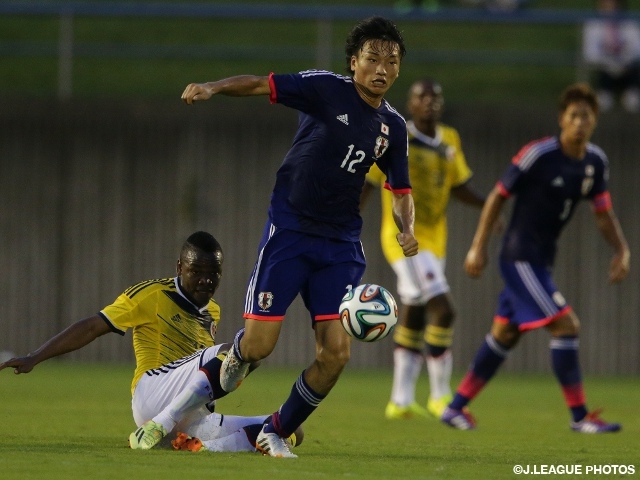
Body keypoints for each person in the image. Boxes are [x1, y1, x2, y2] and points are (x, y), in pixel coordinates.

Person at [180, 16, 418, 458]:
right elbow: (260, 84)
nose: (382, 67)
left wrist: (407, 228)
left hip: (340, 246)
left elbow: (401, 191)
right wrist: (213, 87)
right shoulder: (326, 88)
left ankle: (274, 430)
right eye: (372, 58)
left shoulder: (394, 128)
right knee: (257, 347)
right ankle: (204, 381)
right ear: (354, 62)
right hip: (290, 230)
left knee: (336, 354)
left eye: (391, 60)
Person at [0, 231, 302, 452]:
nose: (206, 281)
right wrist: (34, 356)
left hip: (190, 411)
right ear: (179, 268)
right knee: (243, 347)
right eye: (197, 272)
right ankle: (161, 424)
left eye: (213, 274)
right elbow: (93, 326)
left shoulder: (213, 311)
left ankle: (197, 446)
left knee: (289, 428)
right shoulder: (150, 295)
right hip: (152, 395)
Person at [441, 83, 630, 433]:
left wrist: (621, 249)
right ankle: (580, 417)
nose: (579, 122)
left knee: (505, 334)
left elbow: (603, 213)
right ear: (561, 119)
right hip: (518, 256)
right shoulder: (538, 154)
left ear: (595, 121)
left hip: (542, 260)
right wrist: (477, 246)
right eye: (573, 116)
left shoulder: (595, 163)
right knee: (566, 324)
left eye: (586, 117)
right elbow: (498, 196)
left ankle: (455, 408)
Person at [362, 79, 488, 420]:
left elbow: (459, 185)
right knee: (444, 309)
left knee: (415, 309)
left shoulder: (449, 139)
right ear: (411, 104)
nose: (429, 102)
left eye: (435, 96)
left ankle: (400, 400)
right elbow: (370, 181)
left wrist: (491, 204)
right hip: (403, 236)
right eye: (422, 97)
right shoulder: (395, 134)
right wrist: (347, 222)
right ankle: (440, 396)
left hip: (436, 238)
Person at [582, 0, 640, 112]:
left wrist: (622, 60)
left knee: (632, 102)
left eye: (612, 4)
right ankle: (605, 91)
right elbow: (590, 53)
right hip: (604, 67)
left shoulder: (629, 24)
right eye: (605, 4)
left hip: (627, 66)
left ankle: (631, 90)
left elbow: (637, 49)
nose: (609, 8)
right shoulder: (593, 25)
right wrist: (610, 61)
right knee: (604, 101)